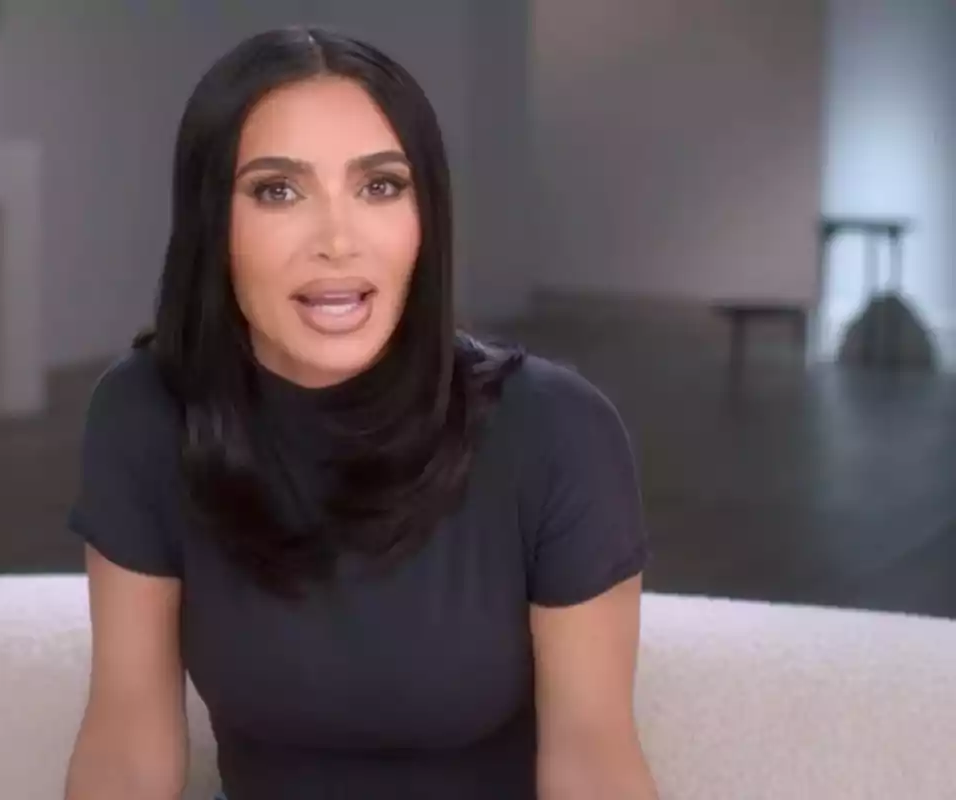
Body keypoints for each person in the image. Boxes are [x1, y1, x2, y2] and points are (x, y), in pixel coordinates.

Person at [63, 25, 657, 800]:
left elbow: (593, 762)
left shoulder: (557, 432)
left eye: (380, 186)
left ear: (424, 218)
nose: (338, 241)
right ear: (214, 222)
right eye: (278, 190)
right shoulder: (144, 414)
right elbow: (127, 744)